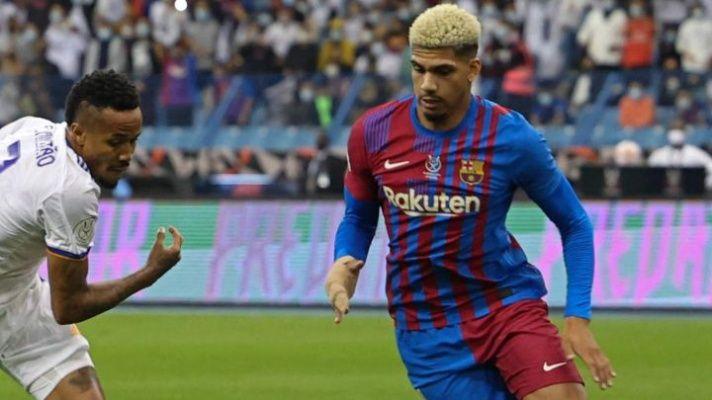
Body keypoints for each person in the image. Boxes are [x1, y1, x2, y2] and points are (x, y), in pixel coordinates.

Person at [325, 5, 615, 400]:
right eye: (418, 69)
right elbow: (359, 218)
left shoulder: (511, 137)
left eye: (443, 71)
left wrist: (578, 316)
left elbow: (575, 223)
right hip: (427, 325)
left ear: (472, 69)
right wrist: (344, 262)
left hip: (505, 304)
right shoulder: (373, 132)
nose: (427, 84)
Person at [0, 69, 184, 400]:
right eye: (115, 142)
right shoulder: (70, 190)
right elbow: (68, 306)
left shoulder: (31, 128)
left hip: (17, 297)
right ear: (78, 133)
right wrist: (149, 272)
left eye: (133, 140)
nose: (127, 154)